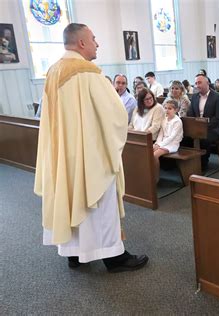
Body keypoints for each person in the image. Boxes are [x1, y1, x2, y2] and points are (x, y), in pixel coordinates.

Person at [35, 23, 148, 272]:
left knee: (70, 197)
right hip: (89, 153)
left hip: (63, 152)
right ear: (82, 43)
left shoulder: (53, 71)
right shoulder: (88, 73)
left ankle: (74, 253)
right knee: (101, 202)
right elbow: (116, 115)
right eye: (94, 39)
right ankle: (114, 257)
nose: (98, 43)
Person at [187, 74, 219, 168]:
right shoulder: (195, 97)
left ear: (207, 83)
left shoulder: (218, 97)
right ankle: (189, 162)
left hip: (214, 129)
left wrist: (203, 126)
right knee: (185, 137)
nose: (197, 85)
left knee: (204, 138)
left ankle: (202, 163)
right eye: (196, 83)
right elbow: (190, 114)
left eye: (199, 82)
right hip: (198, 127)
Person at [153, 99, 183, 182]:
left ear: (176, 110)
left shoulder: (177, 121)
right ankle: (149, 174)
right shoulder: (164, 119)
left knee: (154, 155)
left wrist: (160, 145)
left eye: (170, 109)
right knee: (148, 151)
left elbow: (172, 137)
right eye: (165, 108)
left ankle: (156, 177)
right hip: (163, 142)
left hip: (172, 144)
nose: (167, 110)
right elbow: (161, 134)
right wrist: (156, 143)